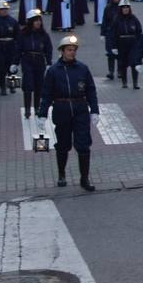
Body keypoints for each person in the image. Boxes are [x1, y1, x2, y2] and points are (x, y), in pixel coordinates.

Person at [36, 34, 100, 192]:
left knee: (84, 145)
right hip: (61, 109)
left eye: (74, 50)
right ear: (62, 51)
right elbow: (46, 94)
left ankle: (84, 178)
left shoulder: (82, 68)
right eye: (69, 50)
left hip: (80, 109)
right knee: (63, 145)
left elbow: (91, 90)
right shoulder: (53, 71)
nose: (72, 52)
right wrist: (42, 114)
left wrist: (95, 111)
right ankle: (61, 173)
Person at [17, 9, 53, 120]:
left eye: (39, 20)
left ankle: (37, 107)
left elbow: (48, 49)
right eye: (35, 20)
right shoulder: (23, 34)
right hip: (27, 59)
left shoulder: (43, 35)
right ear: (30, 22)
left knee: (39, 84)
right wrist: (14, 62)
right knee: (28, 84)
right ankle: (27, 109)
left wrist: (48, 62)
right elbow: (18, 48)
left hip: (39, 60)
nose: (38, 23)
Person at [105, 0, 142, 90]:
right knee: (123, 64)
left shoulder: (134, 19)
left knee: (134, 63)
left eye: (127, 7)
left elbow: (139, 31)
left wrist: (139, 44)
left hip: (132, 44)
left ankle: (135, 83)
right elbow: (113, 34)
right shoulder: (117, 20)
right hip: (121, 43)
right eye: (123, 8)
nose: (125, 9)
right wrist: (113, 46)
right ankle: (124, 82)